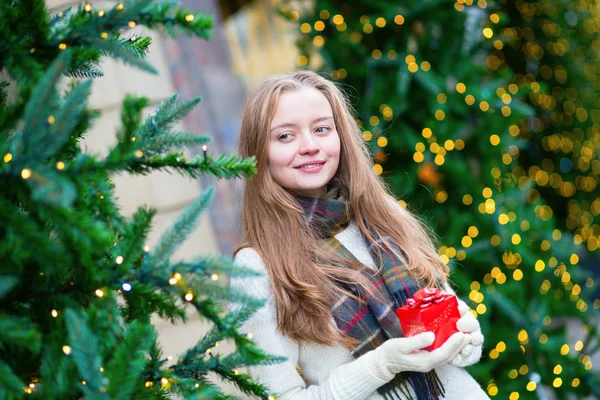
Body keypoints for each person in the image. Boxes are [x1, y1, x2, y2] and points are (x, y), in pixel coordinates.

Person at [230, 70, 489, 400]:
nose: (310, 146)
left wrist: (465, 338)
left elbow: (452, 342)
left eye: (321, 129)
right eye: (285, 136)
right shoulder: (256, 267)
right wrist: (381, 365)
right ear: (258, 153)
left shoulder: (384, 216)